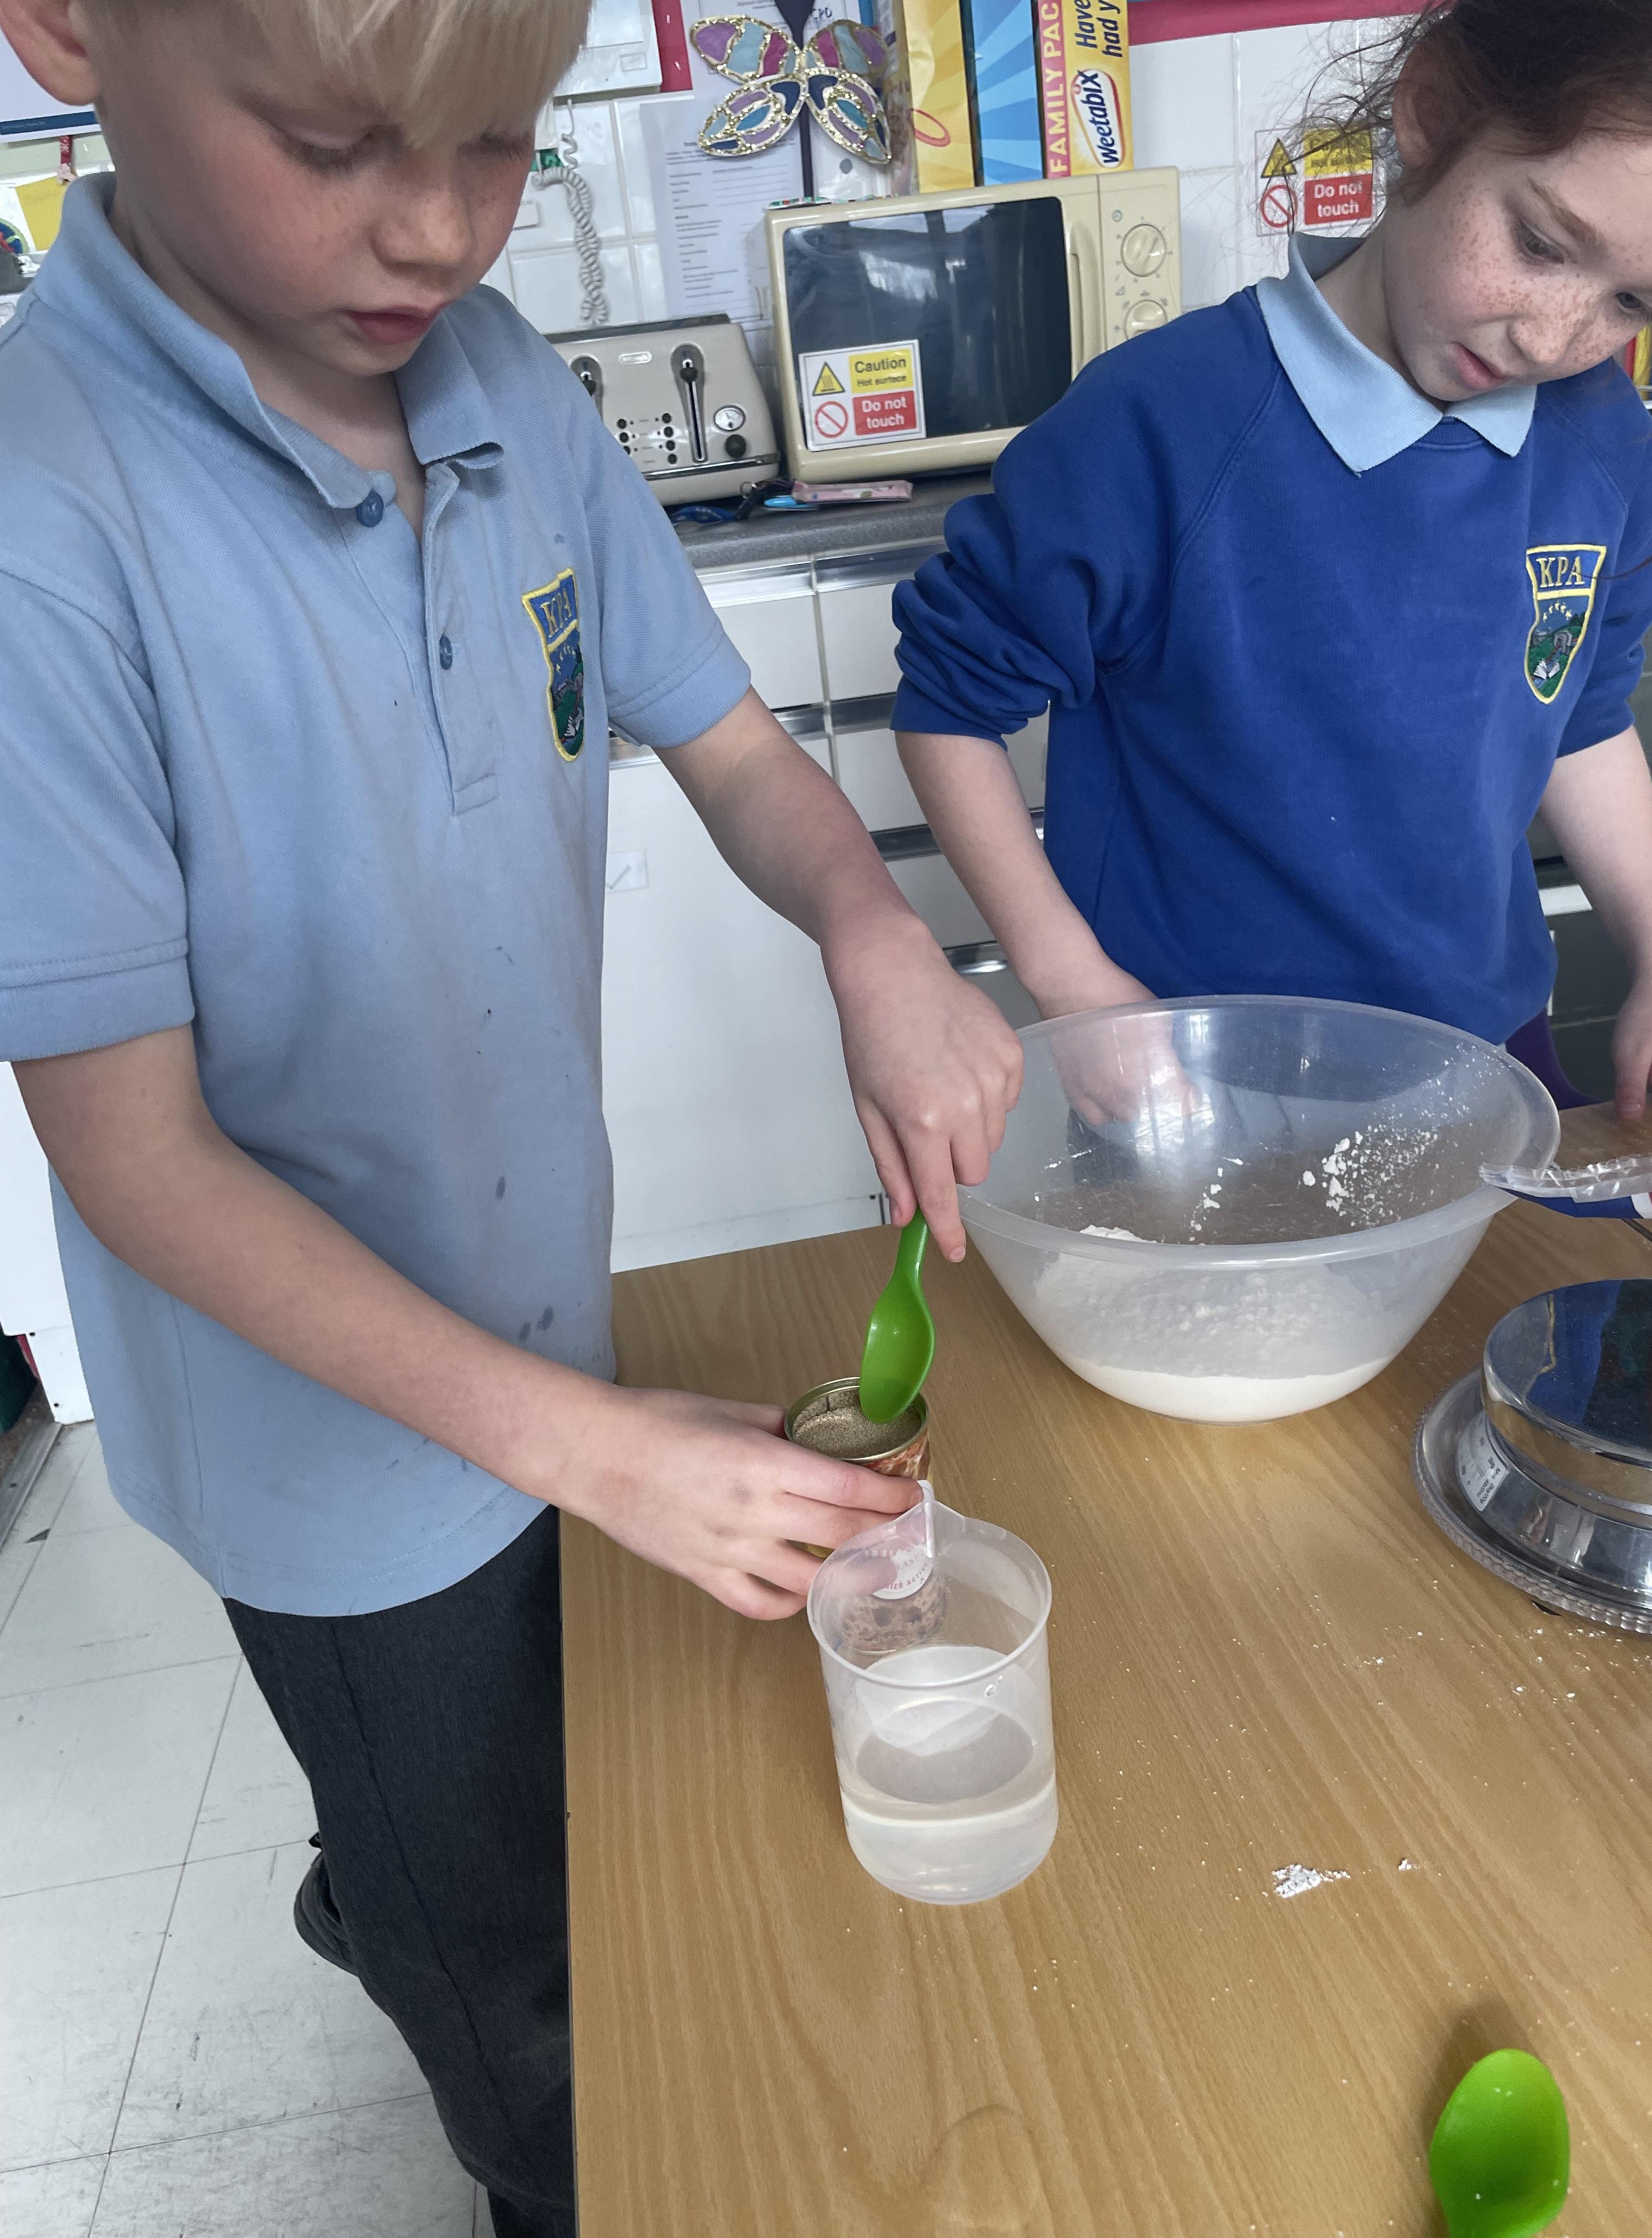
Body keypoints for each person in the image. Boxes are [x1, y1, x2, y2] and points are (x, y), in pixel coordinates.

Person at [0, 0, 1022, 2227]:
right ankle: (457, 1999)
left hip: (537, 1334)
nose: (442, 230)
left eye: (500, 141)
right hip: (328, 1468)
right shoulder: (38, 519)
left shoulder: (498, 388)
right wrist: (603, 1454)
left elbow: (730, 749)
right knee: (527, 2004)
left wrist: (871, 929)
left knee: (535, 1773)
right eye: (336, 144)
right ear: (71, 29)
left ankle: (386, 1861)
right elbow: (135, 1159)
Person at [893, 0, 1652, 1122]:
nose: (1552, 339)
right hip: (1197, 1077)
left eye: (1632, 302)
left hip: (1488, 1051)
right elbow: (949, 710)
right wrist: (1075, 986)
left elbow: (1581, 717)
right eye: (1541, 246)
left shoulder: (1601, 445)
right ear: (1433, 111)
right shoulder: (1157, 427)